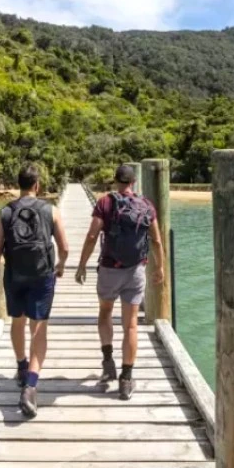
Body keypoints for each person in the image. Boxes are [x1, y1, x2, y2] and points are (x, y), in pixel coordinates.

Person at [0, 164, 69, 418]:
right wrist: (61, 266)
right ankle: (31, 385)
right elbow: (64, 247)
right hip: (42, 276)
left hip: (14, 276)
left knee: (18, 322)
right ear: (37, 185)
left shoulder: (5, 212)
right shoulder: (50, 210)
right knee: (39, 327)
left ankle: (21, 366)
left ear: (18, 185)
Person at [74, 164, 164, 400]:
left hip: (109, 269)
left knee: (105, 312)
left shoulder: (105, 202)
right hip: (135, 271)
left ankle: (107, 360)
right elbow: (156, 240)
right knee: (131, 324)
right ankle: (126, 379)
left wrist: (82, 264)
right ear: (134, 182)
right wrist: (161, 267)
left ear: (116, 181)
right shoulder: (146, 205)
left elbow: (92, 235)